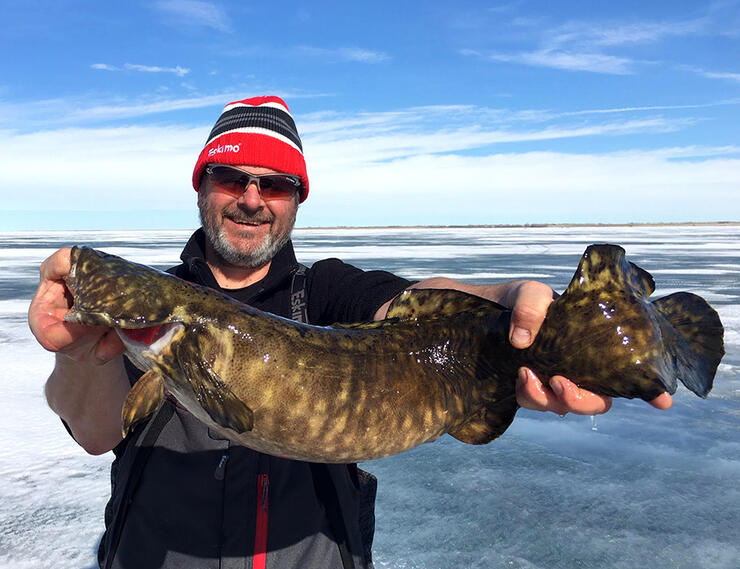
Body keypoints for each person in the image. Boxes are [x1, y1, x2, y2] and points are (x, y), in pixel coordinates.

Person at [28, 96, 673, 569]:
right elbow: (95, 432)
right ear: (202, 185)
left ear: (296, 199)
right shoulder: (160, 311)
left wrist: (511, 303)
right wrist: (81, 352)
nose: (252, 198)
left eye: (275, 184)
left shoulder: (330, 292)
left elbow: (411, 303)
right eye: (232, 178)